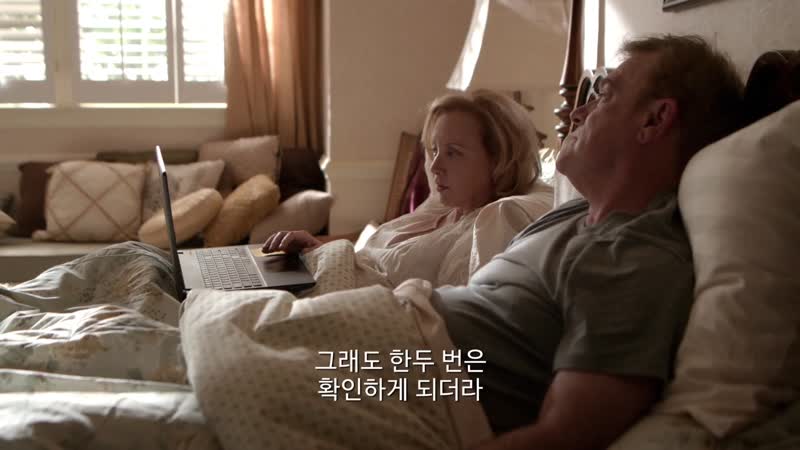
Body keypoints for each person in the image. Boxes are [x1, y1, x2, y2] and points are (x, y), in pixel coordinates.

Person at [427, 35, 744, 449]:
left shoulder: (635, 253)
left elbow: (564, 436)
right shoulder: (574, 216)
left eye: (605, 95)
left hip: (417, 368)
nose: (577, 111)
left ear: (654, 120)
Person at [263, 89, 553, 287]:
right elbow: (367, 264)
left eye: (453, 152)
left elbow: (449, 315)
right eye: (434, 150)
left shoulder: (487, 226)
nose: (435, 166)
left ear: (499, 159)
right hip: (317, 278)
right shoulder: (441, 206)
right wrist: (317, 249)